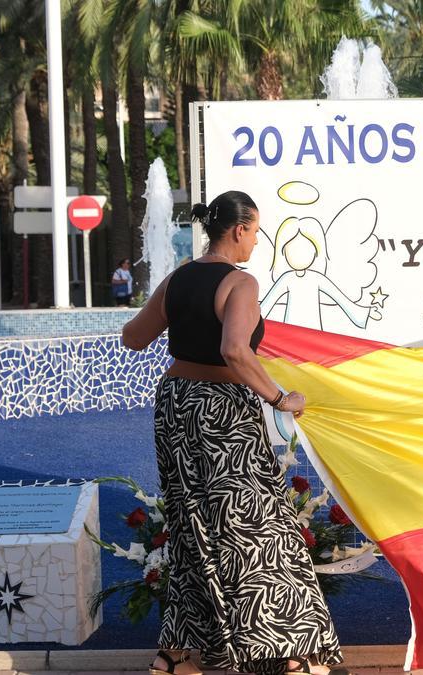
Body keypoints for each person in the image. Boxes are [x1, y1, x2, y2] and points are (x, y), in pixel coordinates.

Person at [122, 191, 347, 675]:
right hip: (223, 414)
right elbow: (235, 351)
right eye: (257, 232)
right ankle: (293, 654)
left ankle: (174, 655)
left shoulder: (178, 277)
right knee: (261, 528)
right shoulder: (239, 282)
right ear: (239, 229)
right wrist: (280, 398)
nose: (256, 242)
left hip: (177, 406)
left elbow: (133, 337)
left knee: (193, 526)